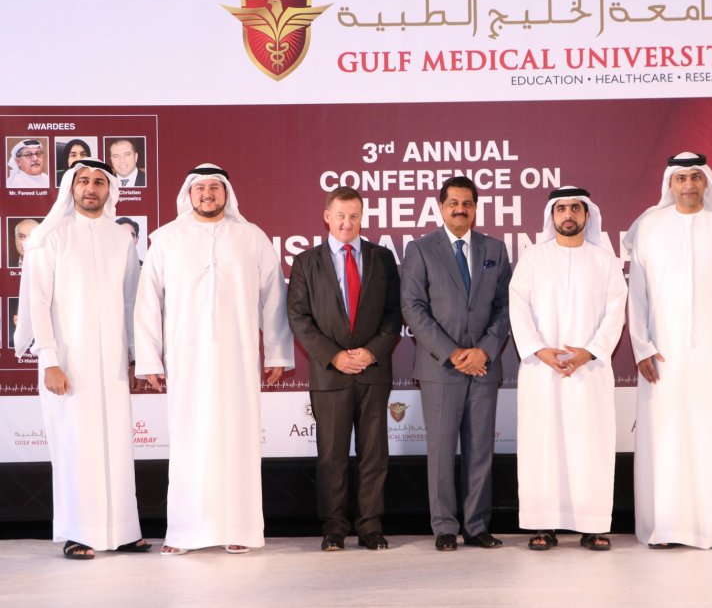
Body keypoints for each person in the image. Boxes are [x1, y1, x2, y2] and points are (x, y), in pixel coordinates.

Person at [134, 164, 294, 556]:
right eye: (200, 188)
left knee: (237, 440)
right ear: (188, 194)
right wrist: (150, 360)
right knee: (189, 442)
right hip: (185, 359)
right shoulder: (165, 239)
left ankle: (240, 529)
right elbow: (147, 302)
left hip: (238, 358)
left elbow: (274, 297)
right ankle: (184, 533)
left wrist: (276, 350)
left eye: (215, 187)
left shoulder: (252, 237)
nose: (207, 194)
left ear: (227, 193)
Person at [624, 152, 712, 550]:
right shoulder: (649, 226)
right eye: (681, 178)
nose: (688, 185)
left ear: (706, 183)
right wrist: (641, 347)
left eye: (695, 177)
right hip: (663, 356)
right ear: (669, 184)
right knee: (666, 437)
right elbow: (638, 294)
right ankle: (665, 527)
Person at [14, 158, 149, 559]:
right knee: (75, 446)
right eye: (83, 181)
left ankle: (123, 531)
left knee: (117, 446)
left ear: (110, 190)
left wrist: (134, 356)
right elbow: (37, 302)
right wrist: (49, 360)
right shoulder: (50, 235)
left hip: (113, 364)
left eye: (99, 182)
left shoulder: (121, 238)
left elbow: (130, 301)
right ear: (71, 187)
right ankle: (78, 532)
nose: (91, 188)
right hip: (67, 362)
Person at [509, 188, 627, 552]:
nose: (568, 214)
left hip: (589, 371)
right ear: (552, 215)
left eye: (576, 208)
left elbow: (616, 311)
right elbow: (518, 306)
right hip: (541, 370)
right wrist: (539, 350)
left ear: (587, 215)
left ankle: (593, 526)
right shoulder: (532, 258)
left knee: (590, 445)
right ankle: (542, 525)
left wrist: (589, 352)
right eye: (561, 209)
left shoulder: (606, 261)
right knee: (542, 445)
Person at [287, 186, 402, 552]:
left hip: (372, 372)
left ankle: (370, 527)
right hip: (330, 375)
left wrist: (371, 351)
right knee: (332, 458)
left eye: (353, 216)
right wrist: (335, 356)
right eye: (340, 215)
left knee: (374, 456)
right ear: (327, 217)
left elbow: (394, 314)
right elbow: (299, 318)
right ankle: (334, 529)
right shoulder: (306, 262)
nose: (347, 223)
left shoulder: (383, 258)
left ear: (362, 217)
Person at [401, 176, 512, 551]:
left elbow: (505, 306)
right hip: (440, 369)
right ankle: (445, 527)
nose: (460, 209)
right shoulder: (420, 249)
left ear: (475, 208)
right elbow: (413, 307)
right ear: (441, 207)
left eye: (467, 203)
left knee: (480, 452)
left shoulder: (495, 249)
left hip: (483, 368)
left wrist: (485, 350)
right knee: (441, 452)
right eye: (453, 203)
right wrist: (452, 353)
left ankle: (477, 526)